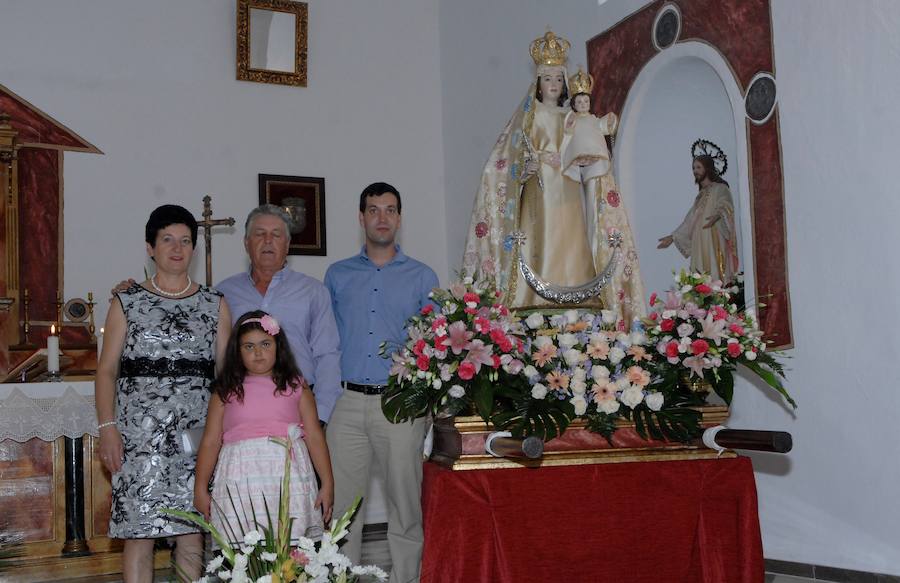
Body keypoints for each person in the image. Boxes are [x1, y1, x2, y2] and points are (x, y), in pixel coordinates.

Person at [95, 204, 231, 583]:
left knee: (191, 533)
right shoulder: (127, 302)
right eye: (167, 240)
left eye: (185, 241)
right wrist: (108, 427)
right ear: (150, 247)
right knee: (138, 535)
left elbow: (227, 377)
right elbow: (106, 371)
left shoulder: (214, 304)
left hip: (196, 438)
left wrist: (226, 435)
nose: (177, 248)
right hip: (138, 438)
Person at [324, 182, 438, 583]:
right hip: (348, 403)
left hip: (401, 403)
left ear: (400, 218)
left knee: (405, 506)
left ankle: (407, 578)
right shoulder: (337, 275)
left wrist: (426, 407)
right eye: (374, 210)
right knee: (343, 511)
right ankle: (343, 577)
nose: (382, 218)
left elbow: (435, 347)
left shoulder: (423, 276)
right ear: (361, 218)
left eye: (390, 210)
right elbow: (326, 342)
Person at [461, 30, 598, 310]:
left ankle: (576, 289)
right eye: (548, 79)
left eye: (559, 79)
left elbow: (587, 142)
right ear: (537, 82)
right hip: (542, 184)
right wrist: (524, 170)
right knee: (543, 234)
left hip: (569, 183)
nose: (554, 84)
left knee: (572, 235)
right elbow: (508, 158)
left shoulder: (571, 116)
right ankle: (536, 294)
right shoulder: (529, 115)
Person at [193, 310, 333, 542]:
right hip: (240, 482)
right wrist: (200, 488)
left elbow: (315, 437)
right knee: (243, 555)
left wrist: (327, 483)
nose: (258, 352)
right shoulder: (225, 389)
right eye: (248, 346)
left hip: (288, 479)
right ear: (237, 352)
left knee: (292, 553)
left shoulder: (296, 385)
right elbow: (209, 442)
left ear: (278, 346)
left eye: (265, 344)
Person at [215, 205, 342, 425]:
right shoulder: (224, 293)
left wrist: (319, 416)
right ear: (246, 243)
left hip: (300, 408)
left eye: (276, 235)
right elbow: (217, 356)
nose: (267, 241)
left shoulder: (313, 291)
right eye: (259, 234)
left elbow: (327, 355)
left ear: (288, 244)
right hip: (241, 409)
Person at [561, 67, 647, 329]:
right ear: (574, 103)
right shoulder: (574, 121)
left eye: (587, 100)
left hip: (598, 171)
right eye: (579, 101)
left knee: (599, 207)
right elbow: (566, 140)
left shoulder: (593, 120)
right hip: (582, 173)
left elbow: (606, 126)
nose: (584, 103)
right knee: (585, 213)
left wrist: (608, 121)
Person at [657, 149, 740, 282]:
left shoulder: (720, 188)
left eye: (698, 167)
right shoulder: (700, 196)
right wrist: (673, 237)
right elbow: (690, 220)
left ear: (707, 168)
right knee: (701, 276)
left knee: (716, 272)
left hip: (714, 237)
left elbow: (726, 205)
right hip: (699, 241)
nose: (695, 171)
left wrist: (717, 216)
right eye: (693, 168)